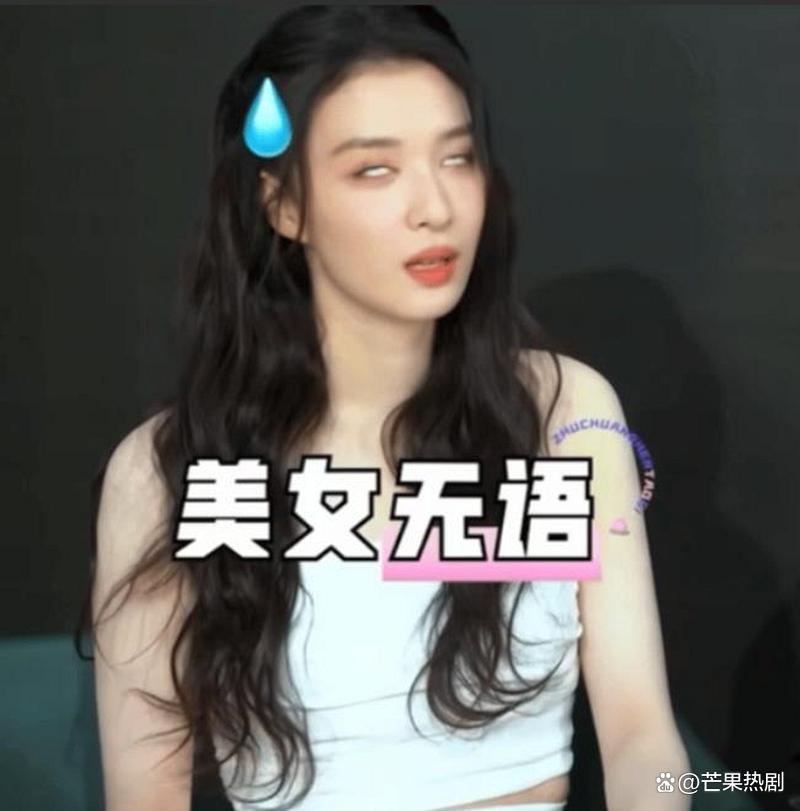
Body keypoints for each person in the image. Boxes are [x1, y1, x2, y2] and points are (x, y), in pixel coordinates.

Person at [75, 5, 690, 810]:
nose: (434, 205)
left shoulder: (565, 412)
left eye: (457, 157)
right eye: (375, 169)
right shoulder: (167, 472)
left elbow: (642, 734)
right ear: (284, 205)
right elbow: (145, 798)